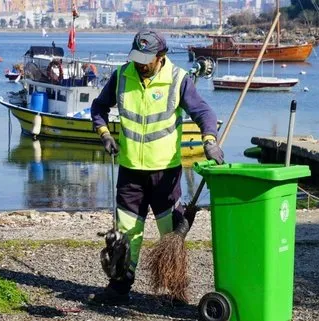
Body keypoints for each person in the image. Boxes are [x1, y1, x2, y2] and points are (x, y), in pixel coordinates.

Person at [88, 29, 224, 305]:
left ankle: (176, 291)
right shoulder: (121, 77)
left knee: (171, 234)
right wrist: (104, 135)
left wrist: (209, 141)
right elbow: (98, 107)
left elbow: (204, 113)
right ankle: (119, 287)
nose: (140, 64)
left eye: (146, 59)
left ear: (161, 57)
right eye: (137, 57)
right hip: (130, 172)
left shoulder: (177, 80)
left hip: (165, 173)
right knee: (125, 235)